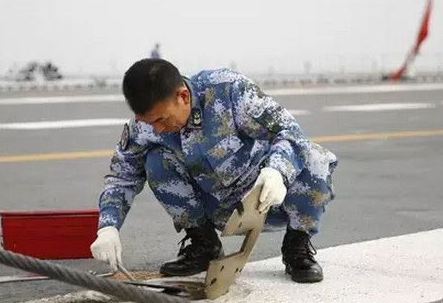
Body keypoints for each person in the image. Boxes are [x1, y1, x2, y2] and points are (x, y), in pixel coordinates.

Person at [91, 59, 338, 282]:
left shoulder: (228, 91)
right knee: (155, 161)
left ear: (183, 96)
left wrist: (277, 172)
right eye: (148, 122)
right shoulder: (143, 128)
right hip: (217, 208)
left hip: (264, 196)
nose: (155, 129)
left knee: (314, 158)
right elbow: (122, 177)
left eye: (161, 120)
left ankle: (297, 246)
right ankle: (204, 245)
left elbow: (289, 131)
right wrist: (108, 227)